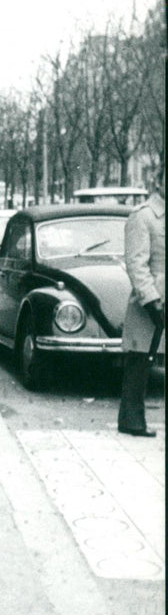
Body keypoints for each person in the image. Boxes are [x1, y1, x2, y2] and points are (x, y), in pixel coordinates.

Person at [117, 182, 165, 437]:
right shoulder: (143, 216)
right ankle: (131, 421)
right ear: (159, 181)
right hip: (152, 301)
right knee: (139, 361)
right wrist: (151, 300)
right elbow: (136, 263)